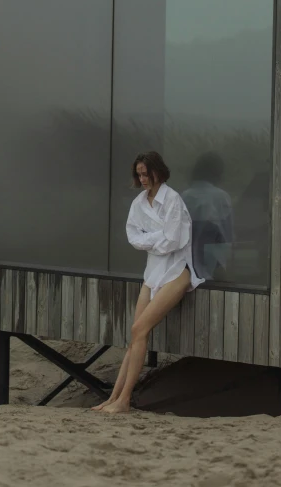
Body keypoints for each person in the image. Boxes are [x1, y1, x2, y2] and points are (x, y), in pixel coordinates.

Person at [92, 150, 203, 414]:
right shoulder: (138, 204)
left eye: (146, 173)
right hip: (152, 273)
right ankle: (113, 398)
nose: (142, 179)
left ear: (158, 171)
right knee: (134, 335)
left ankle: (125, 400)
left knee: (139, 330)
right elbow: (133, 237)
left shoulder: (173, 199)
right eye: (139, 174)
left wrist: (151, 239)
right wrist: (157, 238)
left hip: (177, 271)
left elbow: (175, 241)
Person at [182, 152, 234, 281]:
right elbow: (227, 237)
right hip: (213, 267)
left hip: (184, 267)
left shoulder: (184, 196)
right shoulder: (221, 197)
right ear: (218, 173)